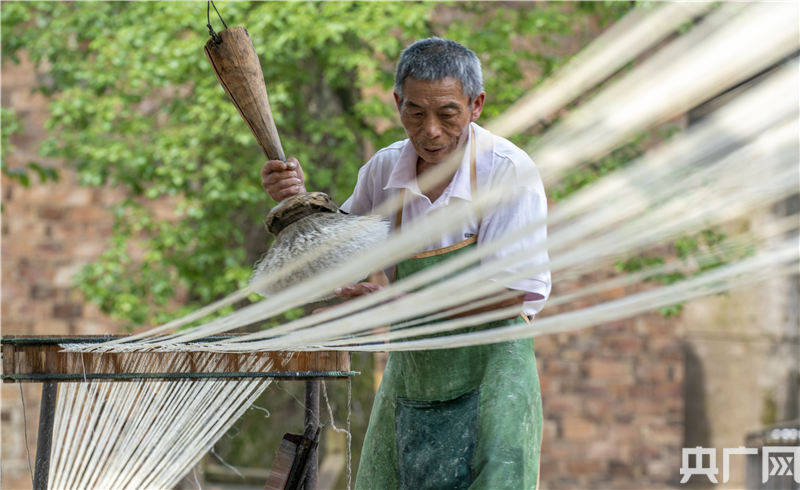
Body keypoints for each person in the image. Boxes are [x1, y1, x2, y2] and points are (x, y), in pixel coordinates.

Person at [262, 38, 550, 489]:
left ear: (476, 105)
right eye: (415, 112)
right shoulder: (383, 171)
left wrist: (397, 301)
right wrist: (296, 202)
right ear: (397, 103)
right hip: (412, 375)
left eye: (447, 113)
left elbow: (510, 295)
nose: (430, 130)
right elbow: (339, 261)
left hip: (494, 378)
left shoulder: (508, 172)